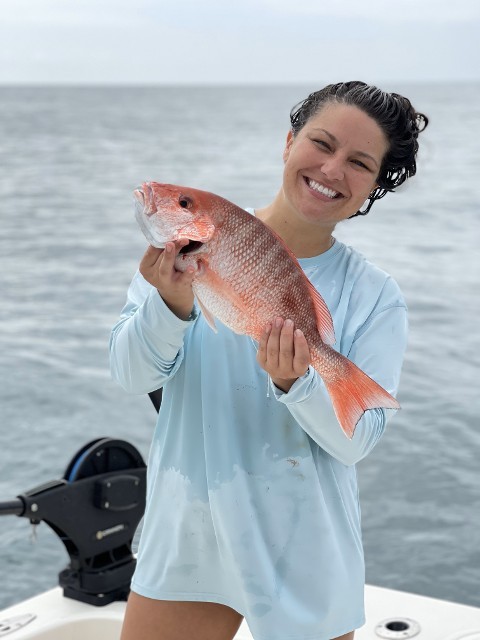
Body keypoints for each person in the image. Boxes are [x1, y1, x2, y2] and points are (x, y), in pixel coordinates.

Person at [110, 81, 428, 640]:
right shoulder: (179, 258)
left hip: (304, 551)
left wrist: (298, 382)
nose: (331, 169)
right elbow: (129, 374)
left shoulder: (376, 296)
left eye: (359, 162)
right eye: (321, 143)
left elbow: (357, 441)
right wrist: (169, 305)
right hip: (187, 538)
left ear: (375, 185)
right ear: (288, 141)